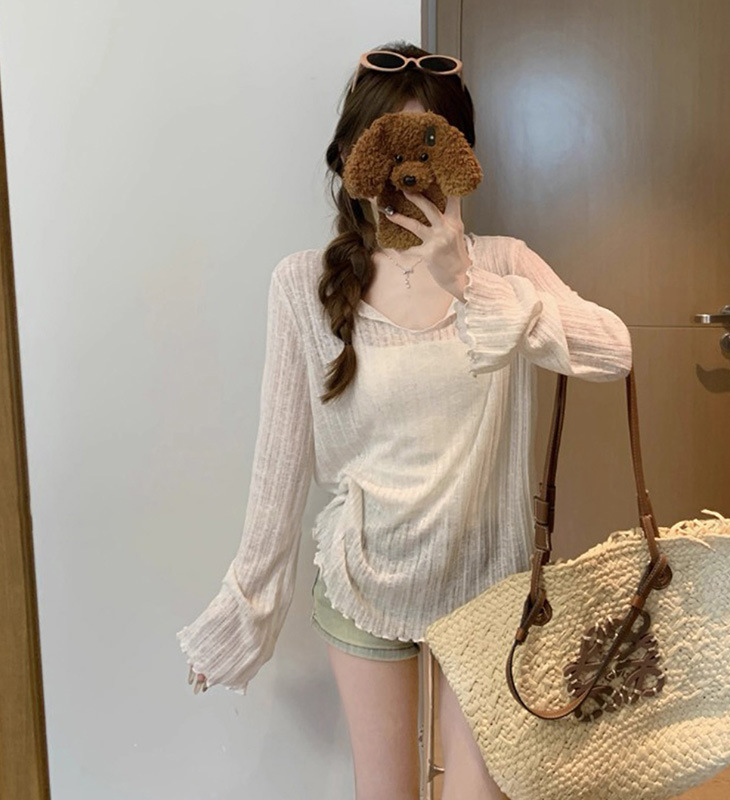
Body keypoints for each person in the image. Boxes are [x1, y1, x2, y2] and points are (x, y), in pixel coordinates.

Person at [176, 39, 632, 800]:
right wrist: (243, 609)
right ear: (352, 156)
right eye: (385, 148)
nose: (407, 173)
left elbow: (613, 350)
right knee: (385, 791)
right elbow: (279, 468)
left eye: (428, 145)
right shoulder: (304, 285)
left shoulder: (504, 266)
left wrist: (470, 284)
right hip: (365, 577)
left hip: (488, 583)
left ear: (461, 158)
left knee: (479, 793)